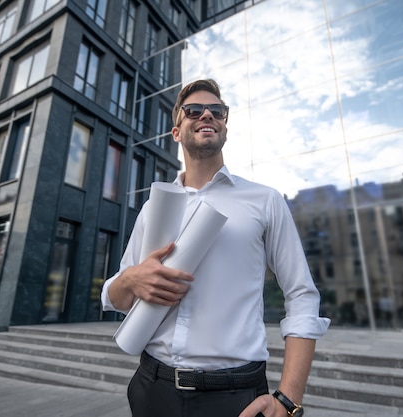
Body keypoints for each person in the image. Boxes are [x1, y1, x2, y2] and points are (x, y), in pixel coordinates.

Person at [101, 79, 330, 417]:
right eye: (193, 110)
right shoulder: (155, 207)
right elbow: (116, 297)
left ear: (224, 126)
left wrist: (288, 399)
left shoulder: (264, 200)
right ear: (177, 131)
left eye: (217, 111)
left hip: (236, 397)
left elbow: (302, 295)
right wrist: (131, 280)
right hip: (153, 389)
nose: (207, 114)